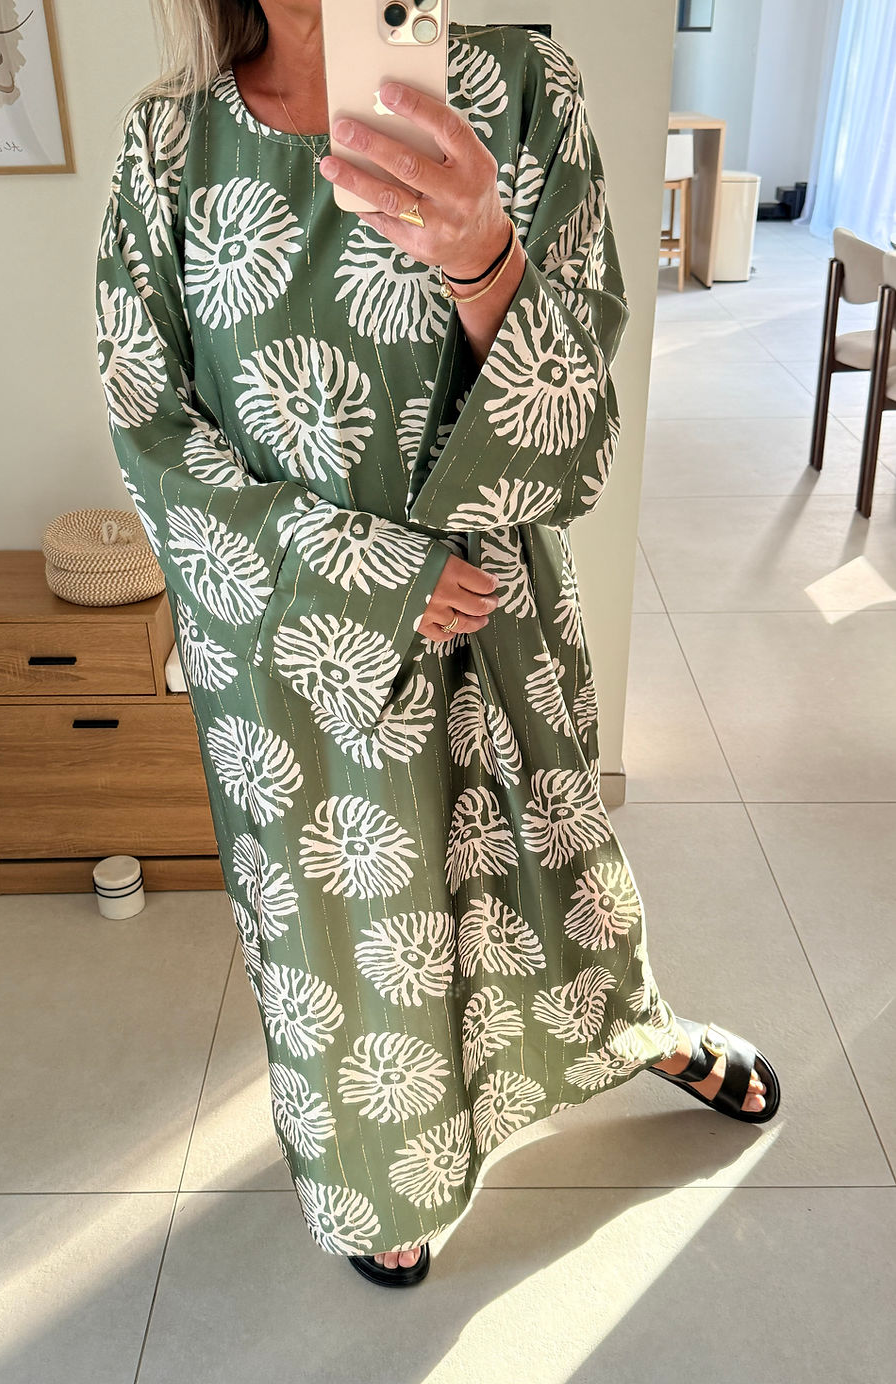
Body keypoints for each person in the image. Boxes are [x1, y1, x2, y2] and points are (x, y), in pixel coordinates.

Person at [94, 0, 781, 1290]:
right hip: (295, 649)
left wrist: (482, 257)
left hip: (495, 614)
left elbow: (581, 396)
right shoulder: (170, 143)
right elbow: (150, 428)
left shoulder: (519, 86)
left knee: (552, 882)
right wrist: (372, 570)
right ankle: (382, 1167)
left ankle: (633, 1031)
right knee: (347, 931)